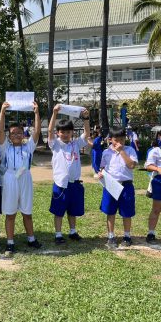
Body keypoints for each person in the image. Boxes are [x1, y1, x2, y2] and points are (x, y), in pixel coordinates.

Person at [0, 101, 42, 255]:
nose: (16, 135)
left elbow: (37, 131)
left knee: (27, 212)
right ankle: (10, 242)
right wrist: (2, 112)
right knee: (10, 213)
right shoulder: (5, 147)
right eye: (13, 133)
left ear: (23, 134)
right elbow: (0, 131)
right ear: (9, 136)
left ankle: (31, 238)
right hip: (10, 178)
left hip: (25, 178)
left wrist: (36, 113)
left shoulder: (28, 147)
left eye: (19, 132)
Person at [48, 104, 90, 244]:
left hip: (74, 183)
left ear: (72, 132)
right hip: (61, 184)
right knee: (59, 211)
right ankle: (58, 234)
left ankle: (73, 231)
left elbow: (86, 134)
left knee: (73, 210)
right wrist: (54, 114)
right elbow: (49, 131)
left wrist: (86, 118)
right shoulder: (55, 144)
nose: (65, 134)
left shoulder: (76, 144)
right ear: (58, 133)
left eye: (68, 132)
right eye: (62, 132)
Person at [98, 127, 138, 248]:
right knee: (110, 211)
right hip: (111, 185)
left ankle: (127, 236)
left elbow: (131, 165)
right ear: (110, 139)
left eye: (122, 139)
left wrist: (121, 151)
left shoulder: (129, 150)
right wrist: (101, 173)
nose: (120, 142)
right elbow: (102, 167)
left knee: (127, 212)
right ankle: (111, 236)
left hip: (126, 185)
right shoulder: (106, 152)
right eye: (116, 140)